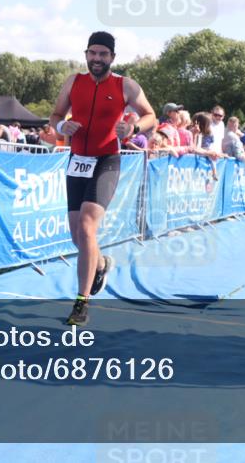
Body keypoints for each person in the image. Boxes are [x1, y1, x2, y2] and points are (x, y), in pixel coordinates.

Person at [49, 31, 155, 326]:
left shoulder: (125, 85)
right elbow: (56, 115)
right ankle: (100, 263)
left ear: (112, 57)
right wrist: (62, 126)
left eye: (103, 54)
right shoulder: (74, 82)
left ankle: (81, 302)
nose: (97, 59)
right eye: (92, 53)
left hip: (106, 161)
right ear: (86, 55)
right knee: (79, 238)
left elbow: (151, 116)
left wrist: (133, 130)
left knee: (86, 226)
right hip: (77, 161)